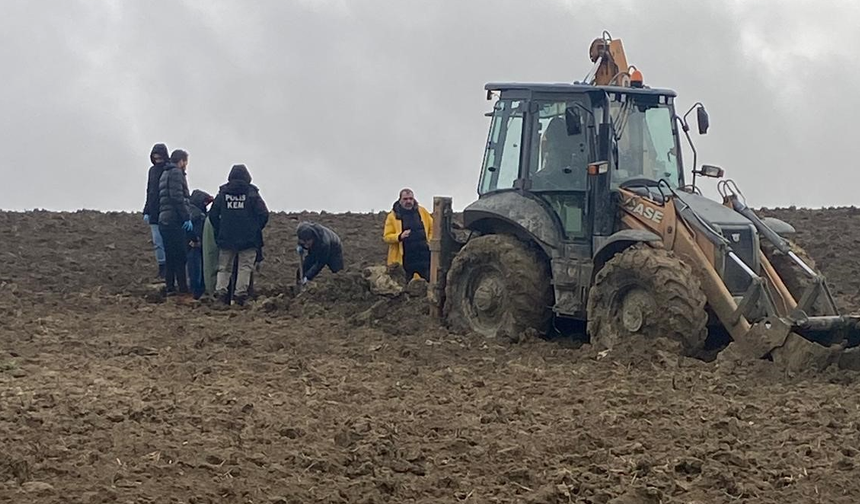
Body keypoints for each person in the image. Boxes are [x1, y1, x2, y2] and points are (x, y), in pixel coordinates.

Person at [208, 164, 269, 305]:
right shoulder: (252, 193)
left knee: (224, 268)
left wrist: (220, 229)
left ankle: (220, 295)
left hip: (226, 237)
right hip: (248, 239)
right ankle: (240, 296)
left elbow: (213, 215)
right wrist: (255, 229)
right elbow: (264, 214)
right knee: (245, 267)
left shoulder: (223, 193)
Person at [158, 149, 193, 297]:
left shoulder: (165, 173)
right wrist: (186, 217)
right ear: (182, 161)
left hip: (163, 219)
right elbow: (177, 197)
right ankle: (183, 288)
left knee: (170, 255)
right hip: (174, 220)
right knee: (180, 255)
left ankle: (170, 287)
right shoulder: (177, 173)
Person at [383, 188, 433, 280]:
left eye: (410, 198)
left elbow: (432, 227)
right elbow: (386, 237)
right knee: (405, 285)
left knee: (428, 283)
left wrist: (429, 241)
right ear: (400, 200)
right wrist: (399, 236)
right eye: (405, 199)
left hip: (424, 257)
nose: (408, 201)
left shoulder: (422, 212)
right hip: (405, 259)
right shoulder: (393, 216)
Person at [142, 143, 169, 279]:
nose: (157, 159)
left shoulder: (169, 170)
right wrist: (146, 210)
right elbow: (150, 191)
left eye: (159, 157)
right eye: (155, 157)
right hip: (153, 212)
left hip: (166, 211)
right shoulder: (151, 171)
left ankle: (170, 269)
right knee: (157, 242)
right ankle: (162, 267)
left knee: (166, 241)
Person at [187, 189, 213, 300]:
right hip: (196, 245)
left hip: (193, 244)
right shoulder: (198, 215)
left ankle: (196, 290)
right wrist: (196, 240)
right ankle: (197, 291)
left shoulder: (190, 211)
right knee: (196, 269)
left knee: (194, 268)